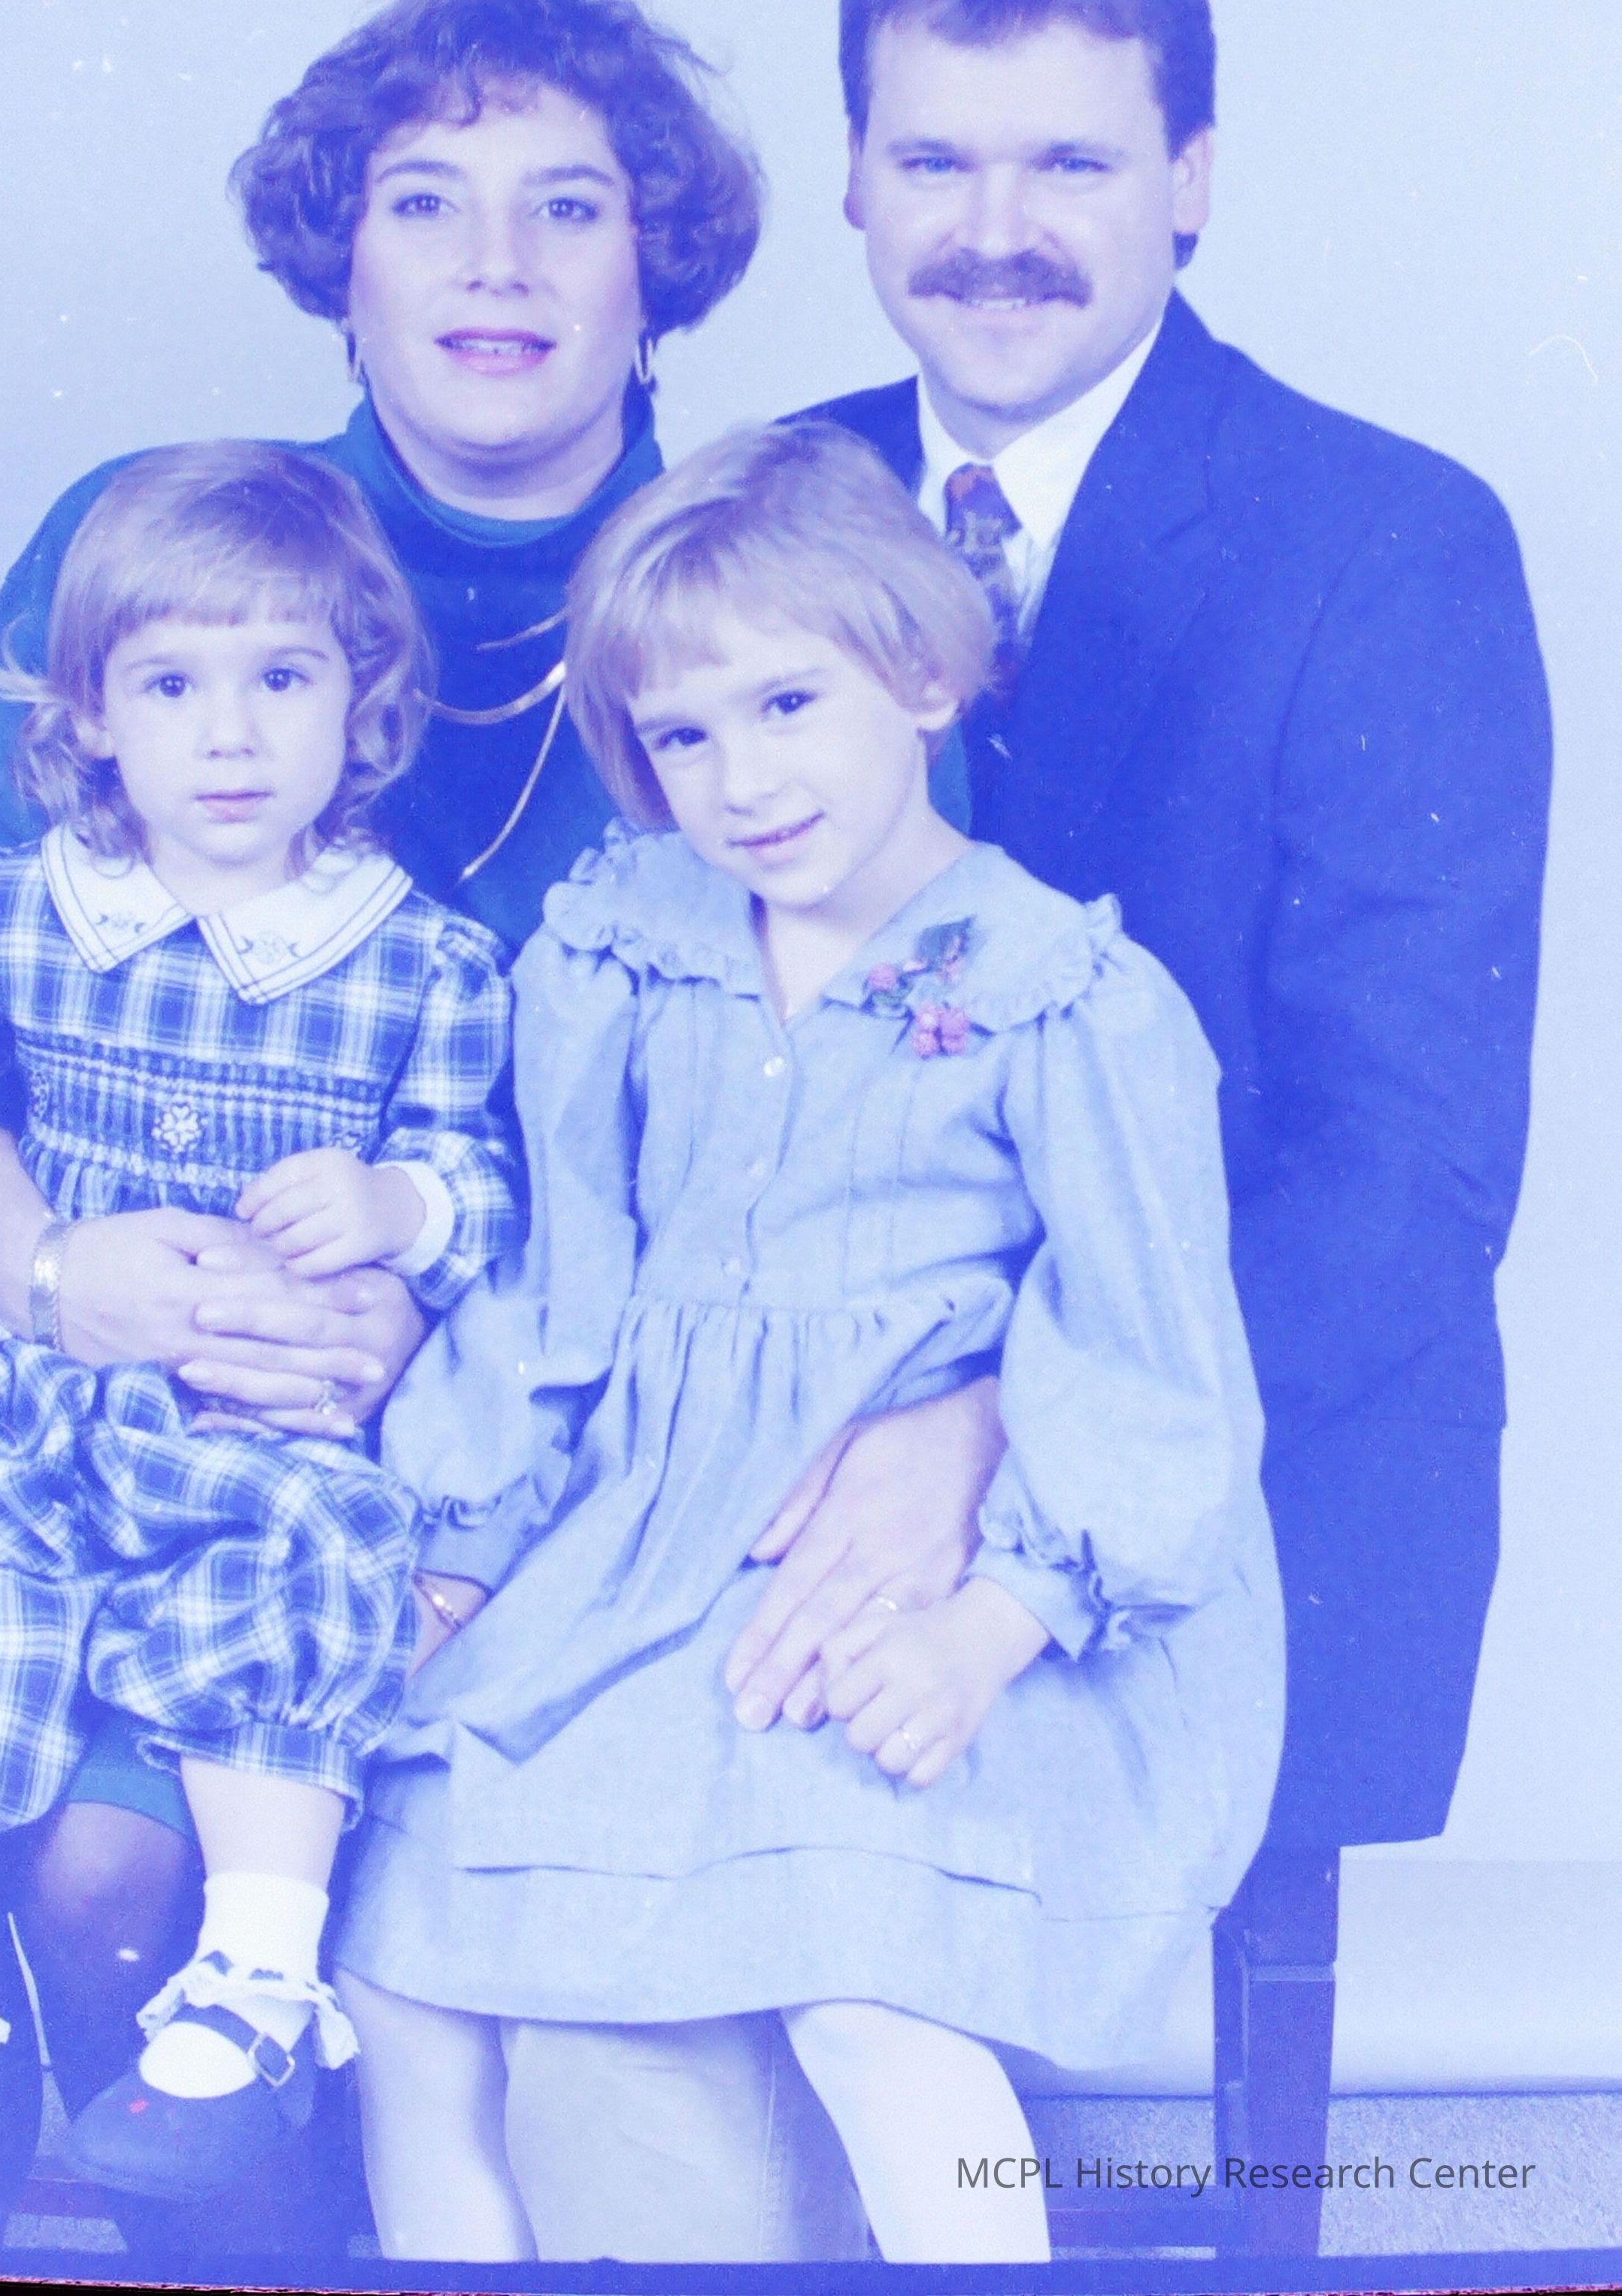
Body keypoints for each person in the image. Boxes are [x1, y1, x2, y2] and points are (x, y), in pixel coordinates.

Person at [0, 0, 924, 2268]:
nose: (495, 266)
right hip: (120, 1376)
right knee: (88, 1858)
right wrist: (56, 1270)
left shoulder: (770, 588)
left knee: (333, 1871)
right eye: (427, 202)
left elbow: (860, 1123)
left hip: (589, 1442)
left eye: (568, 207)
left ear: (660, 269)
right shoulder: (157, 535)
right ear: (344, 256)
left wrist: (430, 1320)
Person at [757, 0, 1551, 2222]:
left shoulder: (1386, 542)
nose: (996, 234)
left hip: (1241, 1473)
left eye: (1073, 166)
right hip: (804, 1448)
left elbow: (1407, 1172)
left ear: (1192, 179)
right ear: (854, 176)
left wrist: (1013, 1434)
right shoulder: (767, 504)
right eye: (936, 160)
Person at [332, 421, 1283, 2264]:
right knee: (407, 1966)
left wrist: (992, 1626)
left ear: (921, 680)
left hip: (960, 1584)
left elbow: (1150, 1364)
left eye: (786, 705)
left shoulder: (1064, 999)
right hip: (636, 1541)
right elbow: (556, 1295)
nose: (741, 781)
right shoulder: (621, 952)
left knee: (862, 1990)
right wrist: (457, 1547)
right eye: (683, 738)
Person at [0, 444, 519, 2203]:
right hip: (33, 1374)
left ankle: (259, 1976)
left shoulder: (417, 961)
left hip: (251, 1403)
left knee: (291, 1577)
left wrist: (394, 1209)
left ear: (362, 702)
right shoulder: (15, 906)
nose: (229, 738)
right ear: (91, 714)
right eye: (171, 686)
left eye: (281, 680)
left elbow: (479, 1176)